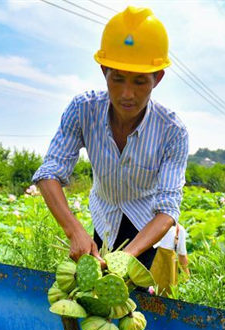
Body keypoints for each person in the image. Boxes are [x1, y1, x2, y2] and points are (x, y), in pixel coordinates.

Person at [31, 6, 189, 271]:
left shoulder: (172, 131)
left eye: (140, 82)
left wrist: (126, 257)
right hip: (103, 218)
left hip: (145, 228)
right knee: (94, 288)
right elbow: (49, 173)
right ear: (104, 70)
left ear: (157, 78)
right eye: (118, 79)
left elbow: (168, 210)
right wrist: (74, 231)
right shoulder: (83, 109)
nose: (127, 94)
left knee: (136, 293)